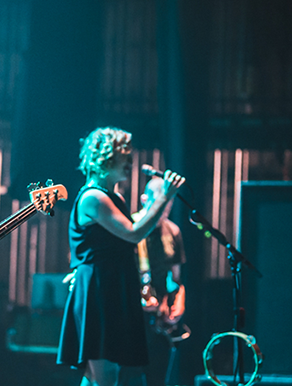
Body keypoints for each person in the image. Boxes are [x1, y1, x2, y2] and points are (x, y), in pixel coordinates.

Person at [56, 127, 185, 386]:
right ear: (103, 158)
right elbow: (134, 233)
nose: (130, 162)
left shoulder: (114, 197)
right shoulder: (93, 198)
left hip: (111, 289)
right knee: (105, 376)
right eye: (123, 155)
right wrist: (165, 196)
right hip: (99, 292)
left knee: (98, 377)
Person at [132, 177, 187, 386]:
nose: (165, 207)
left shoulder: (173, 231)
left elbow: (176, 277)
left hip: (161, 317)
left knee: (158, 377)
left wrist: (179, 303)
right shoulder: (132, 228)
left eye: (169, 202)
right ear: (145, 199)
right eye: (161, 201)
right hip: (133, 318)